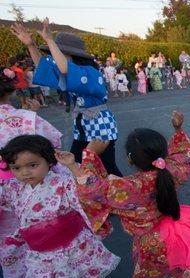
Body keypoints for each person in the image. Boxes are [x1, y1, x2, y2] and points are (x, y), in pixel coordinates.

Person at [60, 111, 190, 278]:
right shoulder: (172, 169)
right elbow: (183, 152)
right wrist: (177, 129)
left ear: (130, 159)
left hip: (152, 243)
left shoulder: (128, 187)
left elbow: (92, 190)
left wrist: (89, 154)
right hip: (179, 231)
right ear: (162, 154)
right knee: (179, 268)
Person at [2, 135, 119, 278]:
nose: (24, 173)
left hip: (66, 246)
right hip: (38, 246)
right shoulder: (12, 188)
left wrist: (72, 166)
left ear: (49, 161)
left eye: (32, 165)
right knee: (48, 274)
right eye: (16, 168)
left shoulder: (62, 183)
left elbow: (88, 194)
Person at [11, 19, 122, 177]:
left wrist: (49, 40)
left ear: (72, 55)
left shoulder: (90, 72)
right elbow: (46, 68)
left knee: (106, 168)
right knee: (76, 165)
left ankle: (125, 194)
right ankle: (88, 196)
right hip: (83, 126)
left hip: (100, 128)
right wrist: (30, 45)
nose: (53, 58)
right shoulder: (70, 71)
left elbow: (64, 68)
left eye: (57, 53)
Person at [0, 68, 62, 278]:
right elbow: (53, 139)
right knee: (34, 227)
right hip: (25, 183)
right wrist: (33, 115)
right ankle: (43, 274)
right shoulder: (25, 118)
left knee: (6, 235)